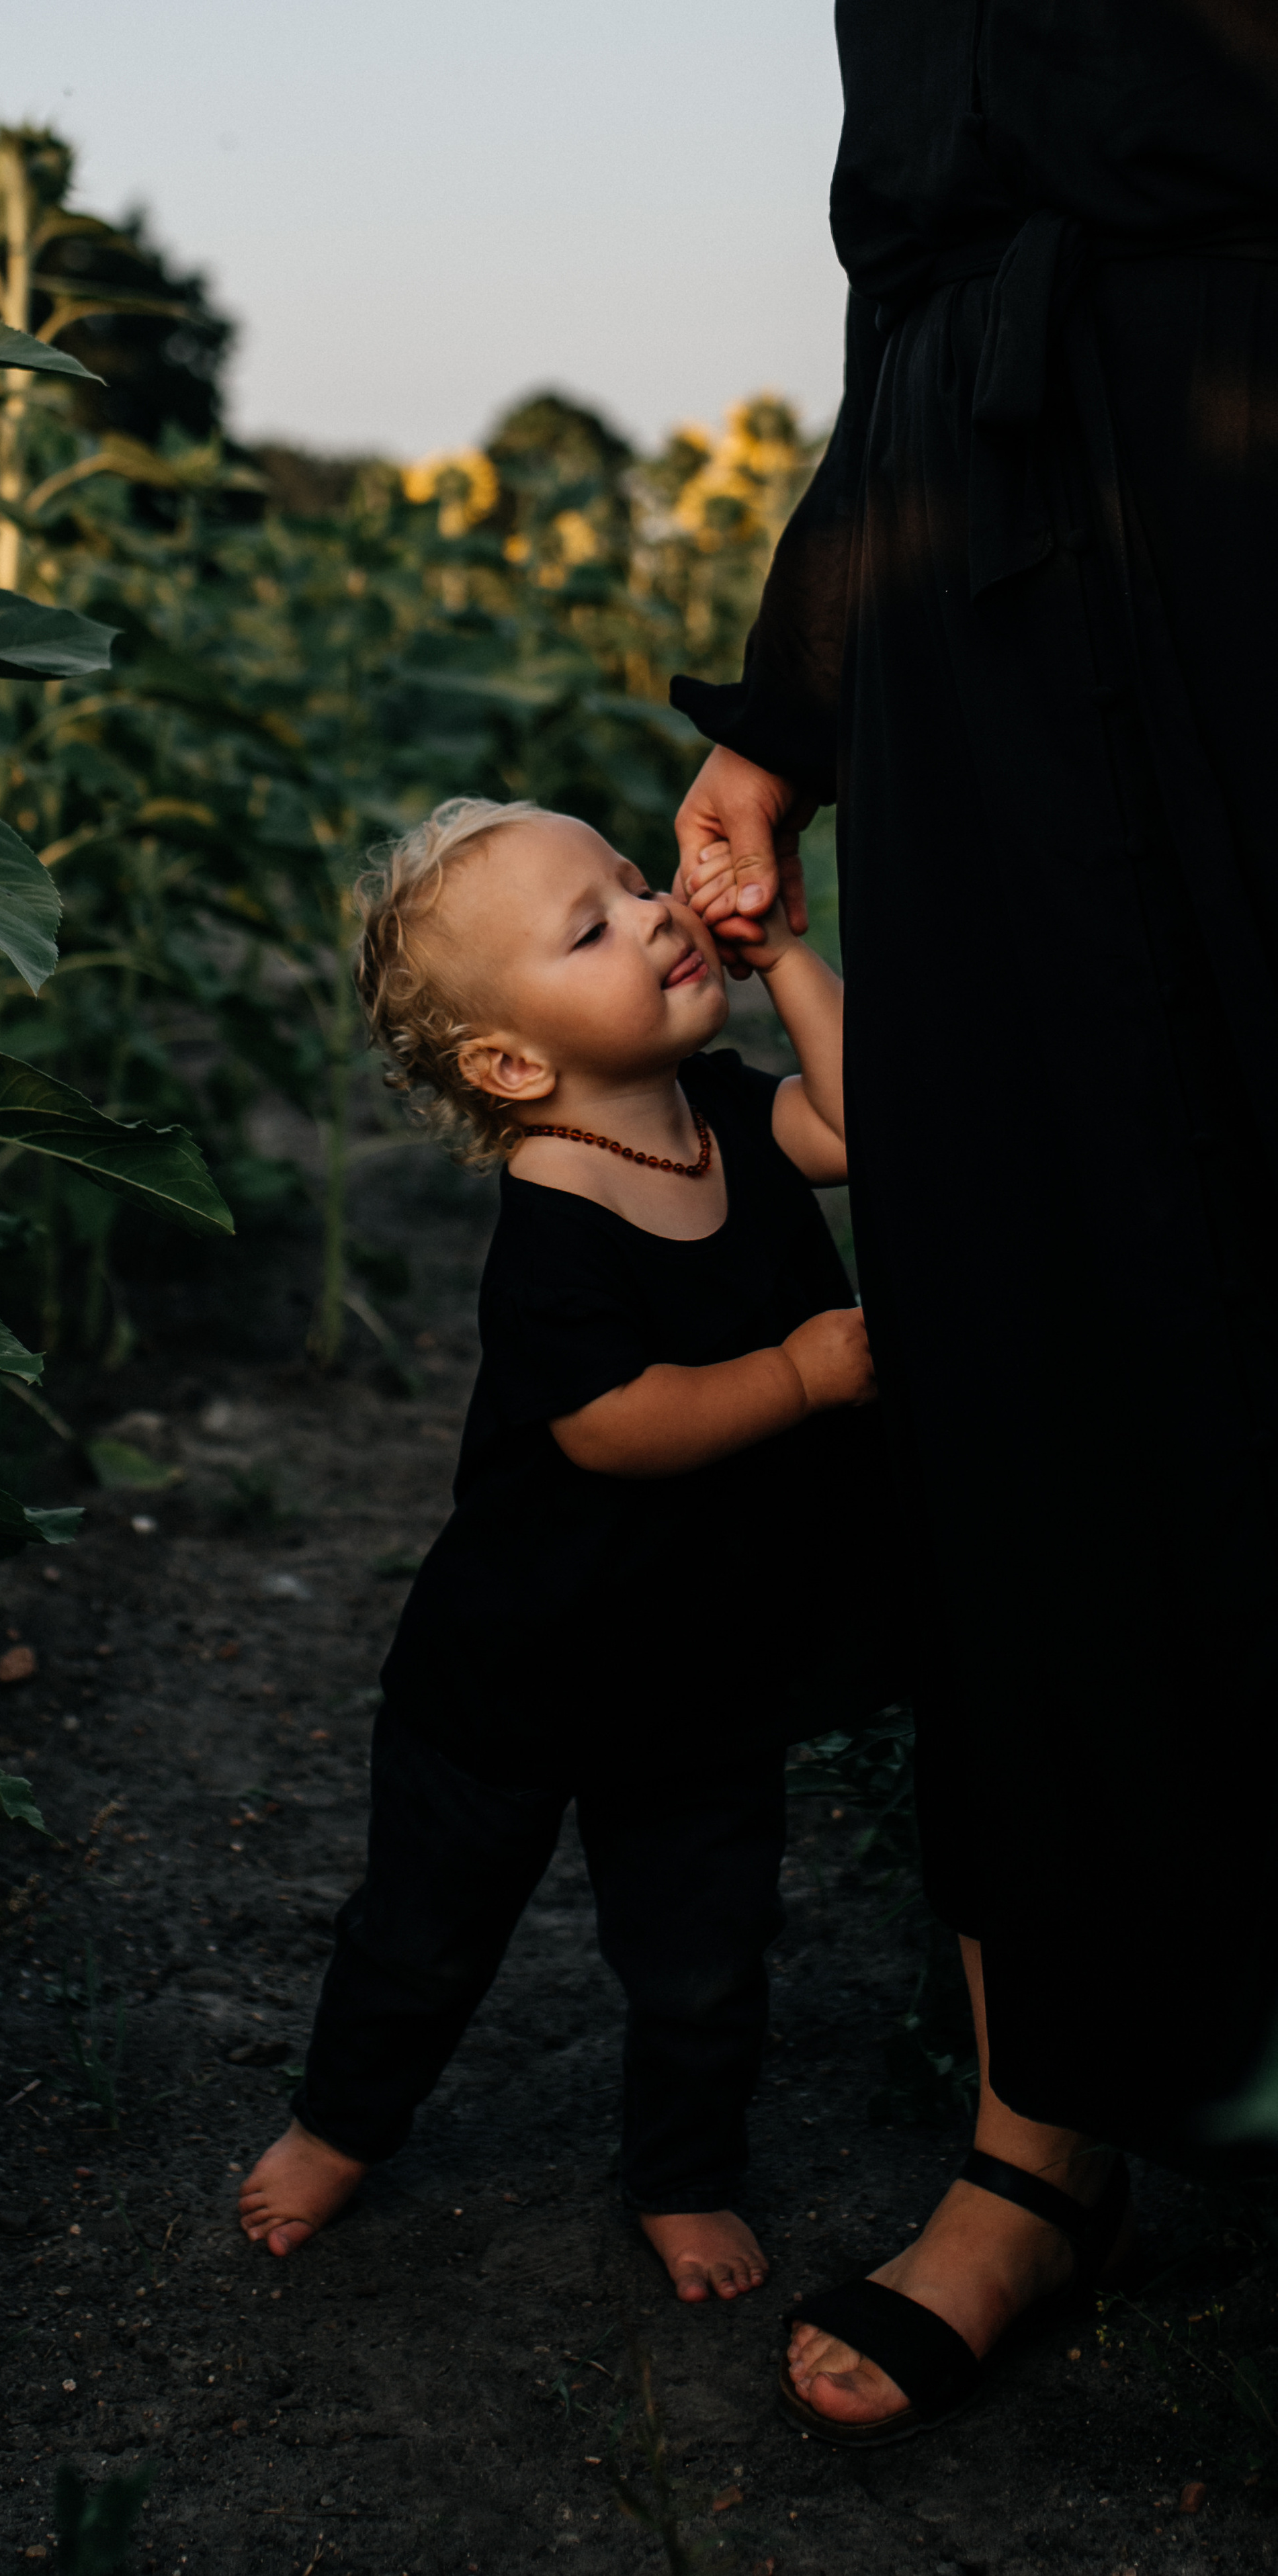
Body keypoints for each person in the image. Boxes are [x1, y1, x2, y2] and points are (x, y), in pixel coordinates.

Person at [667, 0, 1278, 2447]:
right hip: (978, 553)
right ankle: (1041, 2144)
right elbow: (919, 266)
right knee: (1017, 1328)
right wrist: (795, 691)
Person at [239, 795, 904, 2301]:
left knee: (704, 1945)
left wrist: (786, 953)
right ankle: (342, 2122)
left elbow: (873, 1127)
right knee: (424, 1925)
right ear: (512, 1065)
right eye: (590, 924)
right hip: (516, 1666)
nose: (651, 910)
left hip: (700, 1667)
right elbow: (612, 1421)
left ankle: (679, 2170)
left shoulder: (724, 1110)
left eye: (630, 878)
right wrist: (799, 1375)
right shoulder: (558, 1205)